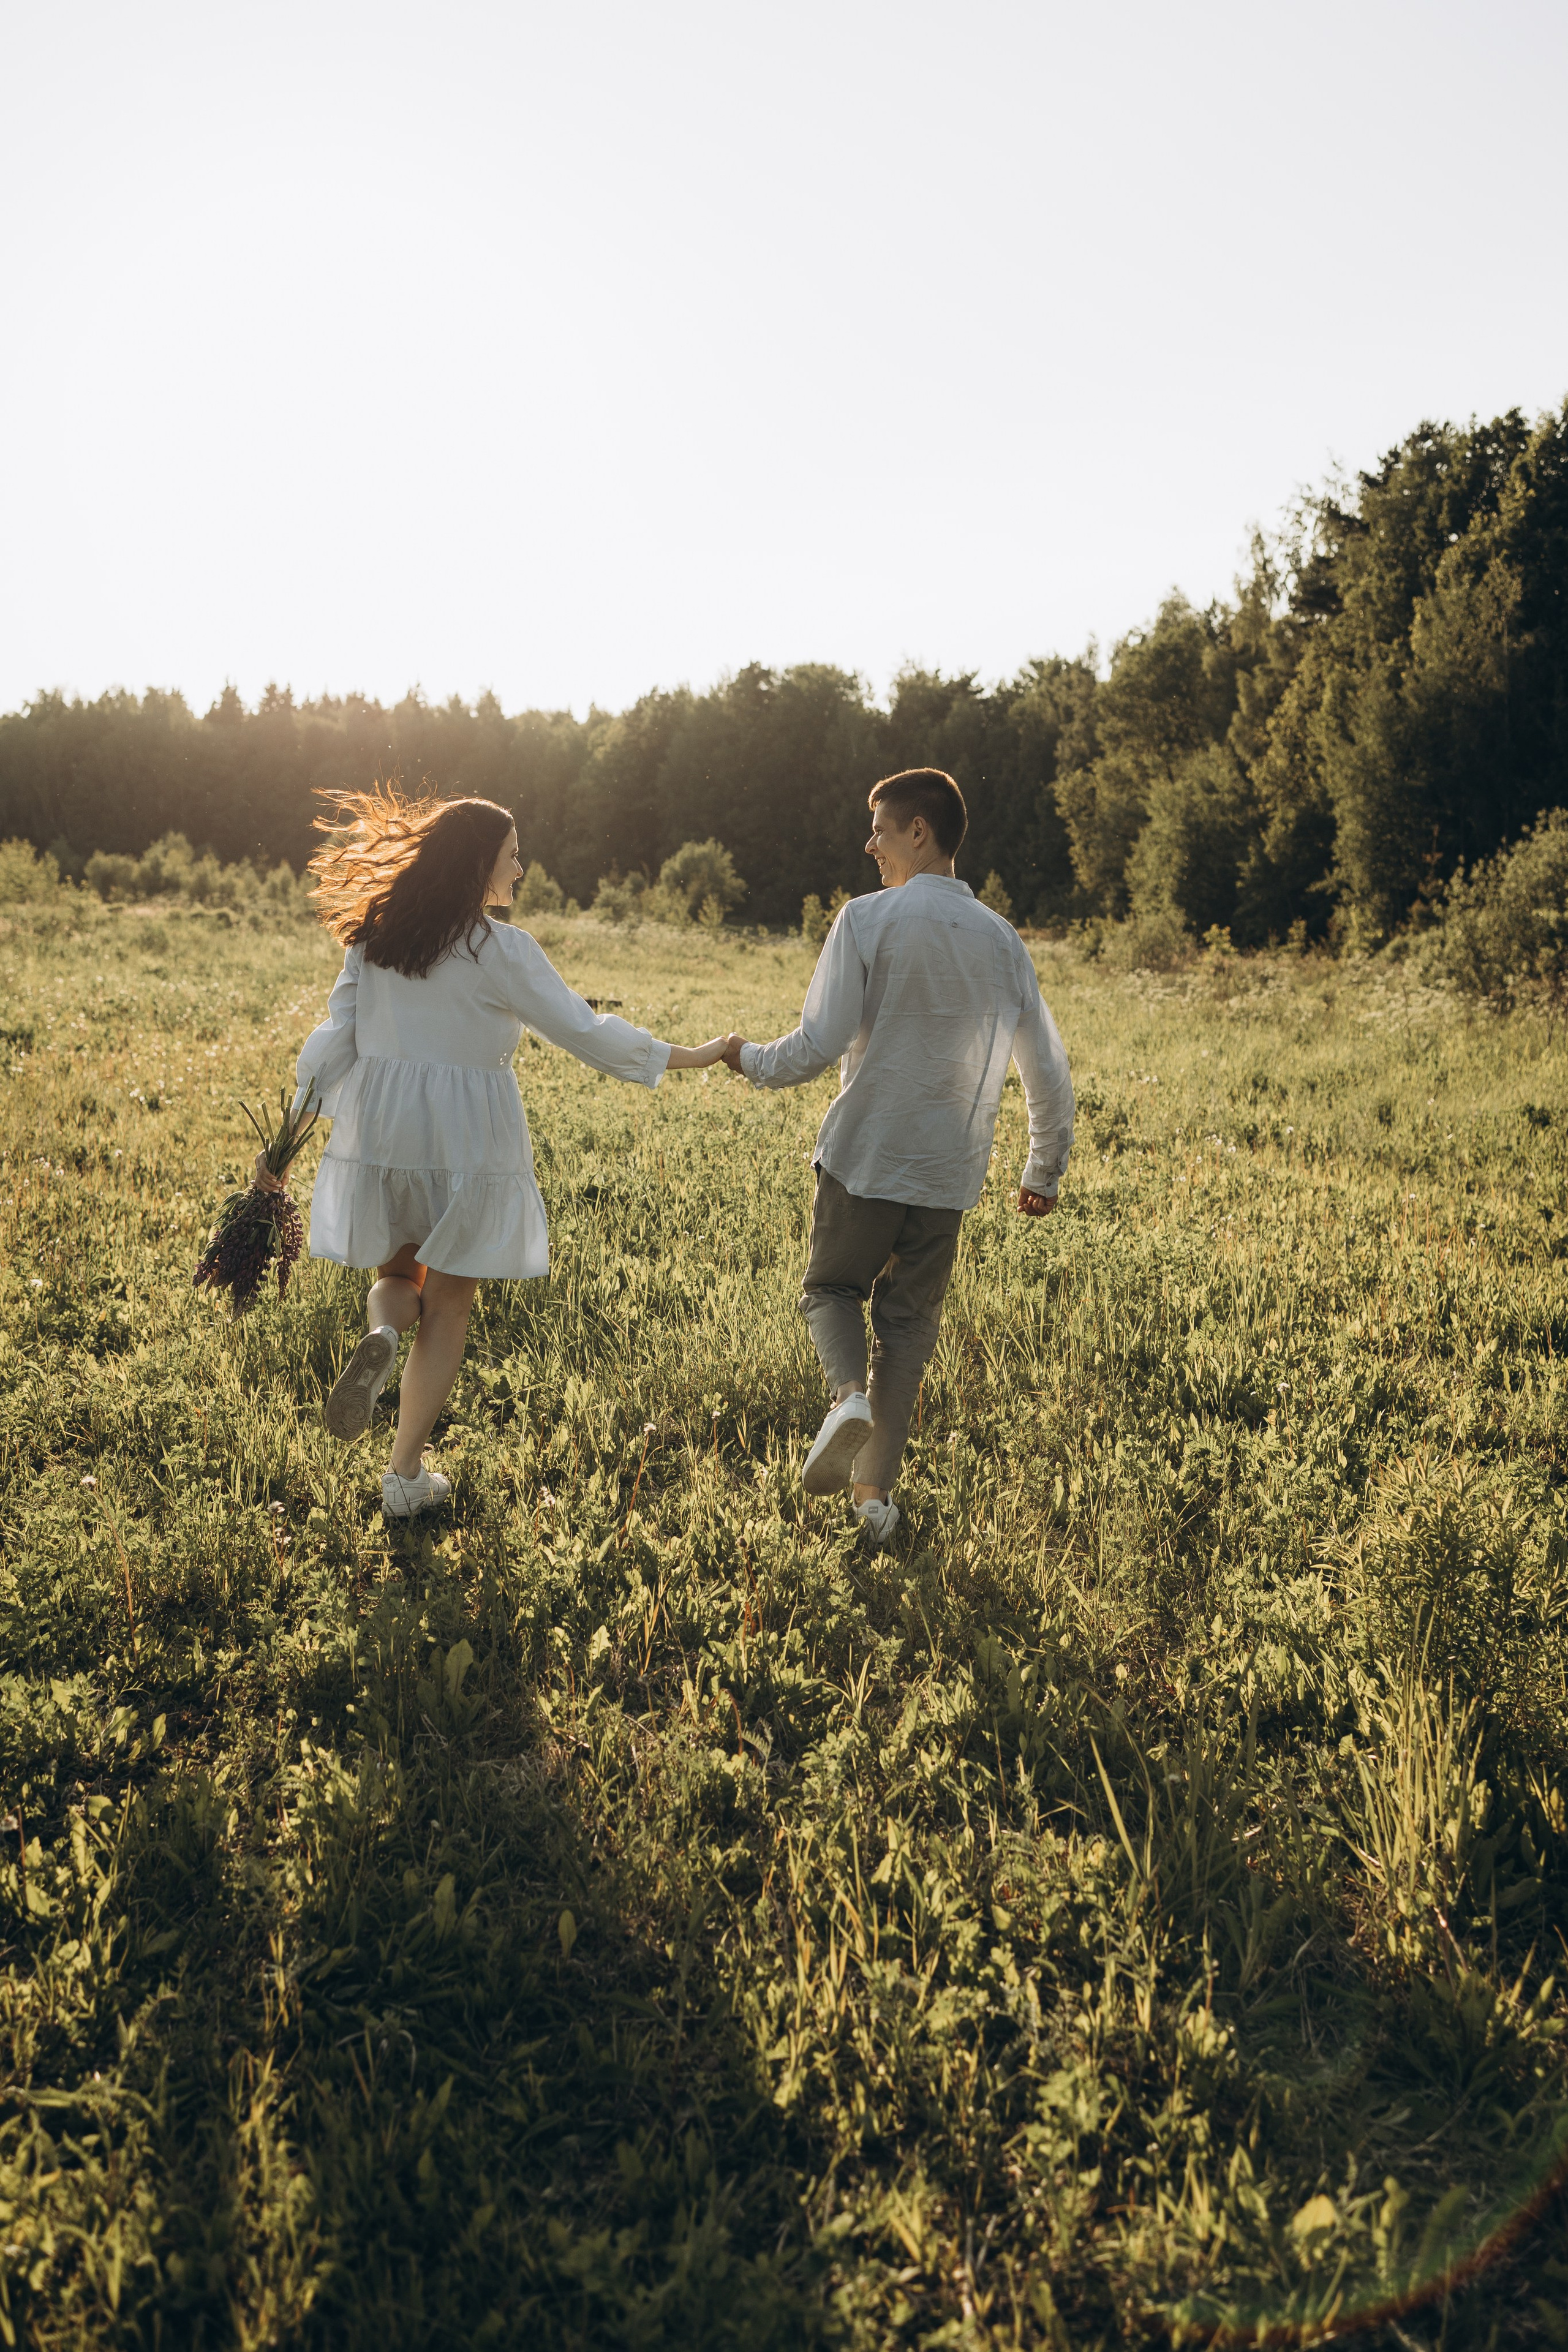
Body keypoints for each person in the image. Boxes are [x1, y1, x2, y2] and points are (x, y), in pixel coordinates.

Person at [264, 787, 729, 1517]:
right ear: (481, 863)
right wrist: (692, 1055)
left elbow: (333, 1043)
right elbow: (584, 1031)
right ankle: (404, 1474)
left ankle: (383, 1331)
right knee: (448, 1305)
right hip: (468, 1132)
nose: (520, 869)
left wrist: (285, 1142)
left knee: (398, 1271)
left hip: (383, 1127)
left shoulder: (376, 938)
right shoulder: (499, 948)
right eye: (512, 858)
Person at [720, 767, 1073, 1545]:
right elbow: (1045, 1066)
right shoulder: (1003, 939)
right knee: (908, 1332)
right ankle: (874, 1500)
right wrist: (1042, 1168)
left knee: (831, 1290)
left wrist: (744, 1057)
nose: (868, 842)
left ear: (920, 832)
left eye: (879, 827)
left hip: (868, 1155)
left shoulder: (867, 920)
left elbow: (815, 1046)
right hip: (948, 1174)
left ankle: (846, 1395)